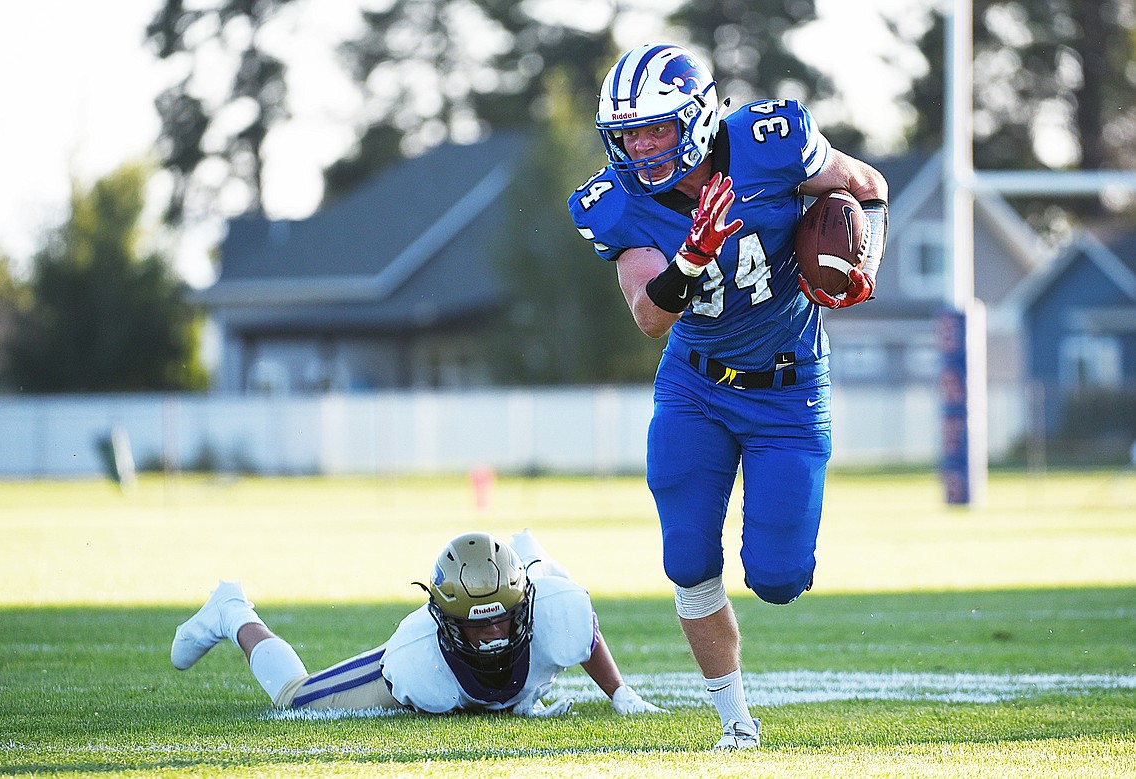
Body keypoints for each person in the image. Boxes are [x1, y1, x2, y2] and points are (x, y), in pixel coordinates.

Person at [567, 43, 889, 750]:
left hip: (789, 384)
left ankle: (771, 597)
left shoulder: (772, 145)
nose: (642, 146)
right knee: (686, 554)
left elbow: (866, 184)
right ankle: (735, 723)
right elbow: (650, 317)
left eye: (656, 127)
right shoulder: (614, 202)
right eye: (629, 133)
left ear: (699, 117)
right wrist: (692, 255)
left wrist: (863, 255)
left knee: (779, 577)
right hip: (697, 384)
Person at [170, 530, 664, 718]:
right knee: (293, 700)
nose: (493, 634)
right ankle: (232, 611)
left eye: (502, 619)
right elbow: (475, 703)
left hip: (542, 592)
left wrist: (621, 693)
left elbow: (587, 634)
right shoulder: (417, 662)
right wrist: (517, 703)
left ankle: (530, 547)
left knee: (559, 588)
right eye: (477, 625)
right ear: (446, 621)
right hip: (419, 670)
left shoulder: (559, 610)